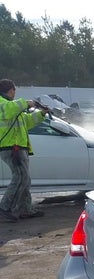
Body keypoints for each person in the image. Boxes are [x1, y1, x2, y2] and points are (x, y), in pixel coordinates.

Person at [0, 79, 49, 222]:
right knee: (20, 177)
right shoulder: (4, 104)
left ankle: (25, 209)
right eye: (15, 91)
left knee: (25, 179)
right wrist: (26, 103)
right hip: (10, 147)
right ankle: (5, 207)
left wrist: (41, 114)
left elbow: (26, 122)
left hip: (18, 147)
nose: (15, 94)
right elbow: (8, 110)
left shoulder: (13, 106)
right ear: (11, 90)